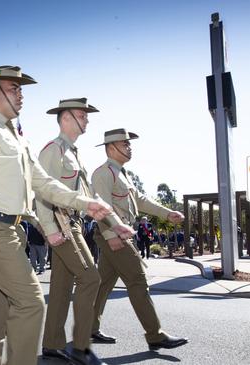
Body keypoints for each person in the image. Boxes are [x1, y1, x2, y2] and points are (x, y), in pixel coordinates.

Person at [0, 65, 114, 365]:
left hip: (11, 230)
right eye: (14, 88)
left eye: (21, 89)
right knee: (31, 304)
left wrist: (83, 203)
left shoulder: (17, 138)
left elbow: (44, 184)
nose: (21, 95)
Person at [36, 98, 134, 365]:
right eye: (82, 114)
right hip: (61, 223)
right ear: (65, 118)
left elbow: (91, 198)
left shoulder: (73, 153)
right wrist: (49, 229)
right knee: (91, 278)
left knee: (60, 287)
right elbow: (40, 192)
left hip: (75, 220)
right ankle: (80, 348)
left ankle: (52, 345)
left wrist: (115, 223)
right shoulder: (52, 151)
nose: (87, 119)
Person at [90, 128, 188, 351]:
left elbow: (141, 201)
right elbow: (101, 208)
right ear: (110, 148)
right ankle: (155, 335)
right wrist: (110, 235)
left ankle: (88, 327)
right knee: (137, 281)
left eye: (129, 144)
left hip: (121, 233)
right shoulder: (103, 173)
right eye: (125, 144)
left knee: (103, 283)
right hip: (115, 234)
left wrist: (166, 213)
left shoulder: (122, 173)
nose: (129, 148)